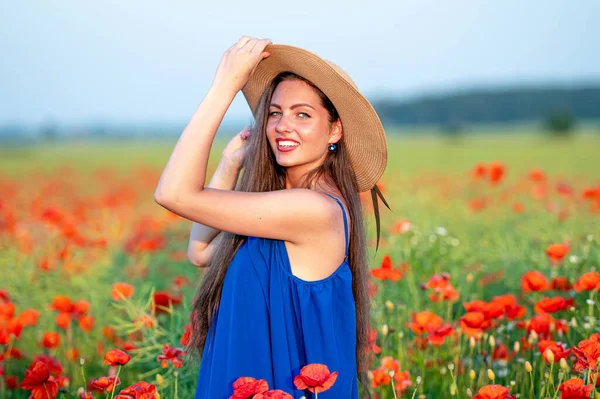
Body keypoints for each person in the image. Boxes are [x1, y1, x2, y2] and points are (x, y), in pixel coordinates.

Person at [154, 35, 388, 399]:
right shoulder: (282, 207)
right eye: (275, 113)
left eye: (303, 115)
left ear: (335, 130)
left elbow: (172, 193)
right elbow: (199, 253)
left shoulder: (313, 209)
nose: (283, 126)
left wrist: (224, 87)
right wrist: (229, 165)